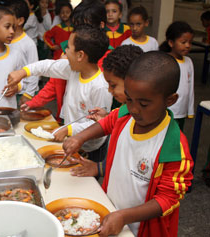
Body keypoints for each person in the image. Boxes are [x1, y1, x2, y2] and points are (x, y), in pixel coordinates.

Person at [63, 51, 194, 236]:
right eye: (129, 99)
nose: (133, 109)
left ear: (169, 100)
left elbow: (167, 199)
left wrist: (124, 216)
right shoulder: (125, 114)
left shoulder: (173, 147)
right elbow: (107, 123)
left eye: (144, 104)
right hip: (112, 211)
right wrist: (80, 137)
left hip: (142, 229)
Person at [7, 26, 112, 163]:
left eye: (68, 47)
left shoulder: (100, 87)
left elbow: (99, 124)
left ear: (80, 55)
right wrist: (23, 72)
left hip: (91, 147)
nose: (65, 51)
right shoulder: (73, 70)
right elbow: (48, 66)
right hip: (71, 138)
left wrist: (69, 129)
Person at [21, 0, 107, 121]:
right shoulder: (70, 52)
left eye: (86, 27)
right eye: (77, 27)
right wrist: (34, 102)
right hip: (66, 119)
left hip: (90, 128)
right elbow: (54, 81)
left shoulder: (108, 60)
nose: (80, 32)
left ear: (101, 25)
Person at [69, 45, 143, 177]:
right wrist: (79, 138)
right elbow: (109, 121)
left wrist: (100, 169)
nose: (109, 90)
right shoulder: (126, 109)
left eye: (113, 85)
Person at [159, 21, 194, 131]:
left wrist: (190, 110)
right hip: (167, 111)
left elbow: (191, 88)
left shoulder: (189, 62)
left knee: (178, 138)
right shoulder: (164, 61)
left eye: (190, 42)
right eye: (183, 42)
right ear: (171, 42)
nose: (188, 45)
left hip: (181, 112)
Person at [8, 0, 39, 106]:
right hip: (9, 91)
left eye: (9, 16)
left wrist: (28, 95)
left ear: (20, 20)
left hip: (23, 93)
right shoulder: (4, 40)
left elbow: (35, 72)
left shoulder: (28, 44)